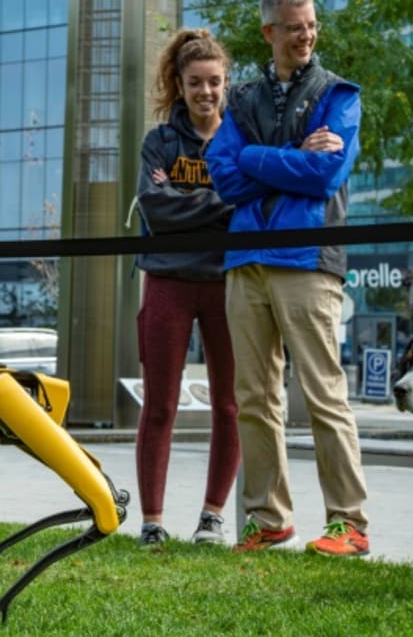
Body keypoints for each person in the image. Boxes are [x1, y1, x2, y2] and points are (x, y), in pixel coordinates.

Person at [205, 0, 370, 556]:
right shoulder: (243, 98)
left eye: (312, 24)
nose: (307, 34)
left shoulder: (341, 95)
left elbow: (326, 177)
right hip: (245, 258)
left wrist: (256, 158)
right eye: (295, 26)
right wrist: (290, 156)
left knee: (324, 393)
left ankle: (349, 523)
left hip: (307, 257)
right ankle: (267, 520)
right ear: (269, 31)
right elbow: (222, 174)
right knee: (253, 396)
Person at [132, 29, 240, 547]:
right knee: (159, 406)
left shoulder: (241, 138)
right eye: (196, 82)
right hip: (168, 283)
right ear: (180, 84)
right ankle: (152, 521)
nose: (206, 92)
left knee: (230, 404)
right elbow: (157, 209)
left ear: (226, 83)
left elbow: (252, 205)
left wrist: (187, 206)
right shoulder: (159, 141)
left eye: (215, 82)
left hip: (226, 283)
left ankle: (212, 517)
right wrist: (223, 205)